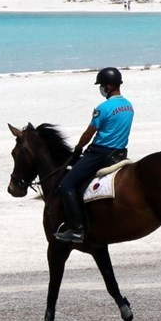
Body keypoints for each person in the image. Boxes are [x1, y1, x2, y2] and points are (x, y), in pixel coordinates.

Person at [53, 67, 134, 243]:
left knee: (67, 184)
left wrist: (78, 148)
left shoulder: (103, 108)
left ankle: (76, 229)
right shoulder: (128, 105)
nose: (102, 88)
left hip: (99, 153)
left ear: (110, 86)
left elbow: (89, 134)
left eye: (103, 85)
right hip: (119, 152)